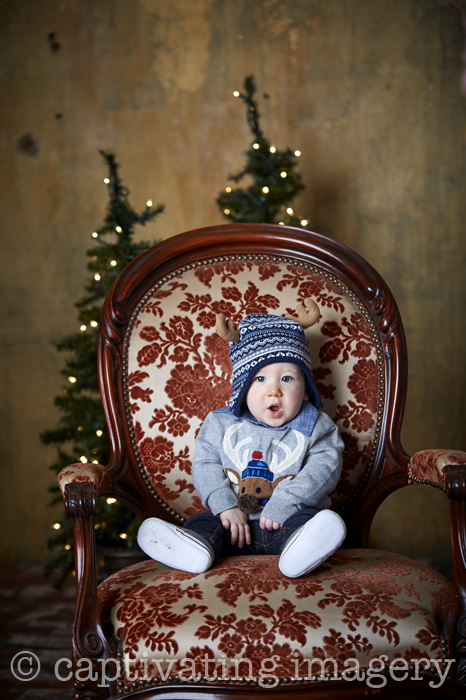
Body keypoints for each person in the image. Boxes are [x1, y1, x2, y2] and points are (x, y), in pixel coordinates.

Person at [137, 300, 346, 578]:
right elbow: (206, 465)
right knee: (203, 521)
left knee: (310, 521)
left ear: (306, 389)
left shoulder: (317, 426)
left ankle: (301, 552)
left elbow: (324, 469)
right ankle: (195, 548)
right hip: (232, 528)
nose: (274, 391)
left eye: (287, 379)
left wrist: (286, 502)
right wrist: (225, 505)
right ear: (242, 389)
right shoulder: (220, 423)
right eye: (260, 380)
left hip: (285, 524)